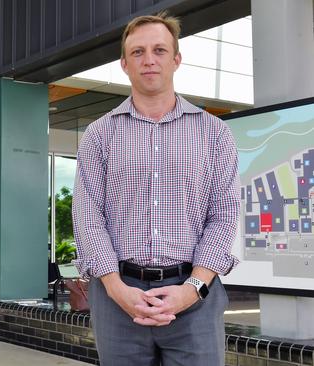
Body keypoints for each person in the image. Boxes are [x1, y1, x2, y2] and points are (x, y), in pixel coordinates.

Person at [72, 12, 240, 366]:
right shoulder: (99, 136)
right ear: (124, 63)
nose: (149, 59)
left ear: (176, 60)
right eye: (138, 52)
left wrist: (190, 290)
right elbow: (88, 216)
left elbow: (224, 215)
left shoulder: (214, 134)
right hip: (117, 299)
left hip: (195, 297)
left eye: (160, 50)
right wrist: (118, 291)